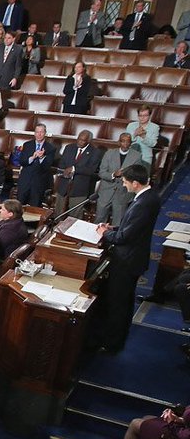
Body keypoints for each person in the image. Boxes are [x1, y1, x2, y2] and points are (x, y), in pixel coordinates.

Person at [92, 165, 160, 352]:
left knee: (118, 303)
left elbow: (124, 238)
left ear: (135, 183)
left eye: (125, 182)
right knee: (123, 301)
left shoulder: (143, 203)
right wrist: (113, 228)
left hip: (128, 261)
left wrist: (104, 233)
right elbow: (130, 228)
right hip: (133, 258)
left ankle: (112, 344)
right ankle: (114, 338)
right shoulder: (149, 196)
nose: (123, 185)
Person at [96, 133, 142, 226]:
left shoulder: (137, 156)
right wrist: (113, 174)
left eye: (128, 142)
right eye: (123, 141)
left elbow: (136, 175)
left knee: (118, 222)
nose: (125, 144)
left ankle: (113, 240)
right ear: (119, 142)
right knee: (100, 219)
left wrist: (126, 176)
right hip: (106, 192)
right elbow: (102, 173)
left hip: (123, 193)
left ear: (130, 143)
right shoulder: (109, 154)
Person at [53, 131, 103, 216]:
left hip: (79, 188)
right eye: (78, 139)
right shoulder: (69, 147)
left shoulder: (95, 152)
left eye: (83, 140)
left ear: (88, 141)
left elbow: (91, 170)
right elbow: (62, 164)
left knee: (75, 215)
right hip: (64, 185)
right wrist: (64, 172)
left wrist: (74, 169)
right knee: (58, 213)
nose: (79, 142)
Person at [16, 125, 56, 207]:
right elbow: (22, 161)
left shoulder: (50, 148)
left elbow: (47, 166)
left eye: (41, 132)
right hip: (25, 180)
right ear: (34, 133)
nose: (39, 134)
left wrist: (41, 158)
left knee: (34, 207)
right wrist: (32, 157)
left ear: (45, 133)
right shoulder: (27, 145)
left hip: (39, 182)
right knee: (19, 206)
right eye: (37, 132)